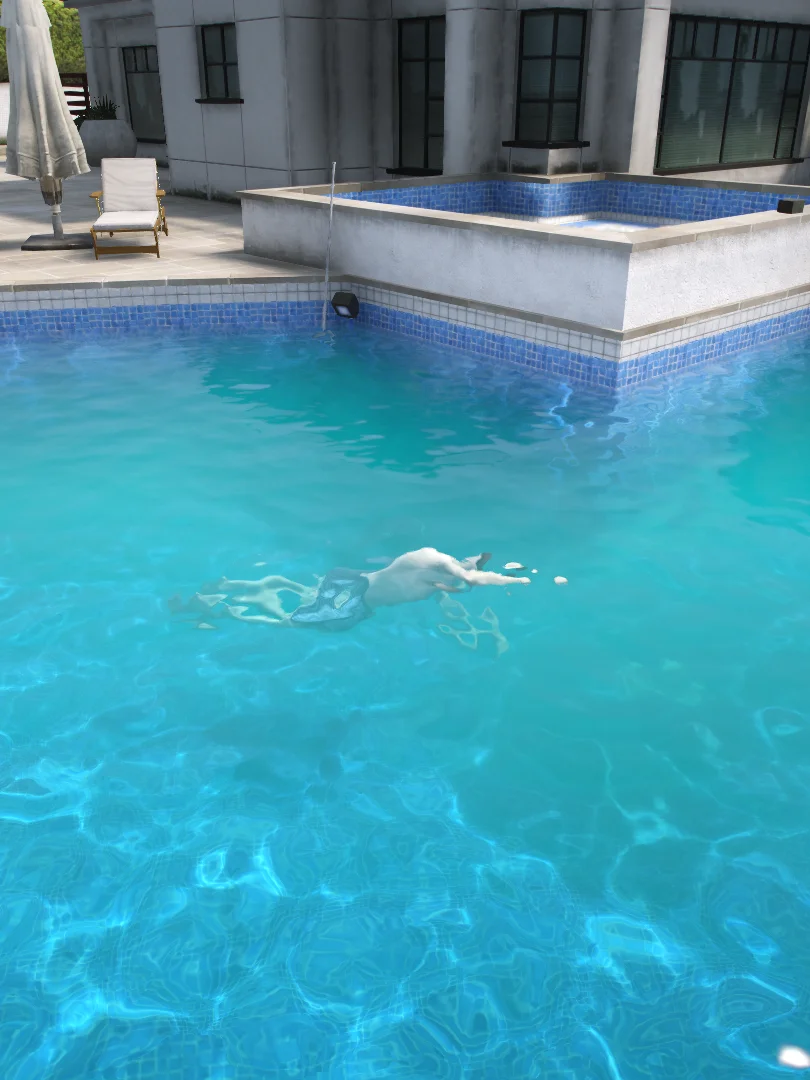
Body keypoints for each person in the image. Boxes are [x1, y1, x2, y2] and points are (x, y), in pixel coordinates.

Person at [170, 549, 530, 633]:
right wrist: (509, 580)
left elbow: (460, 578)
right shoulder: (429, 575)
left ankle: (221, 598)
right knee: (287, 621)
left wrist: (472, 569)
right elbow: (464, 581)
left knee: (293, 599)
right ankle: (222, 611)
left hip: (351, 581)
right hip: (353, 603)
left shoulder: (424, 567)